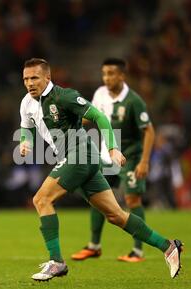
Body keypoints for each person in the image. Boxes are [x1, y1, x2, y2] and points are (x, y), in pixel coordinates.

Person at [19, 58, 183, 281]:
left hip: (80, 154)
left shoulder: (64, 96)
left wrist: (113, 148)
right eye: (26, 79)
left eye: (34, 77)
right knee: (116, 216)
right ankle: (168, 246)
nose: (29, 83)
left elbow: (99, 116)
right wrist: (25, 141)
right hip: (76, 158)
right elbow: (26, 128)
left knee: (41, 200)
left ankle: (57, 262)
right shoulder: (27, 103)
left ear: (47, 77)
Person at [70, 58, 155, 263]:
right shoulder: (100, 94)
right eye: (104, 74)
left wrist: (144, 162)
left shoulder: (134, 101)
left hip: (131, 158)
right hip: (107, 157)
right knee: (98, 198)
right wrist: (70, 121)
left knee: (132, 200)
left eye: (111, 74)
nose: (107, 78)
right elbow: (91, 117)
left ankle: (137, 251)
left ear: (122, 76)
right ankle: (94, 246)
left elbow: (149, 131)